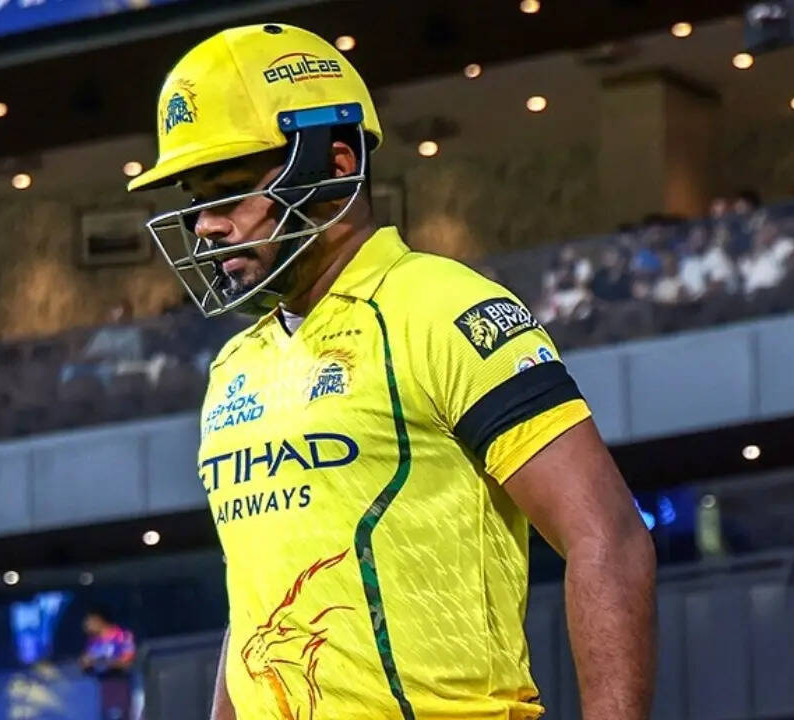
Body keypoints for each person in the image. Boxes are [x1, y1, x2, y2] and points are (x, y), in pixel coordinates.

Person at [126, 23, 655, 720]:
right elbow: (253, 606)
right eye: (195, 201)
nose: (205, 226)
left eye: (226, 193)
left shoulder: (444, 308)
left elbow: (608, 536)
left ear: (334, 164)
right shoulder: (234, 366)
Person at [80, 610, 136, 720]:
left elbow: (128, 662)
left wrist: (105, 662)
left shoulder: (122, 636)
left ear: (99, 620)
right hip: (101, 687)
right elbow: (87, 662)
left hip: (120, 684)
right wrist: (86, 664)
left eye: (89, 621)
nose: (86, 625)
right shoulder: (92, 641)